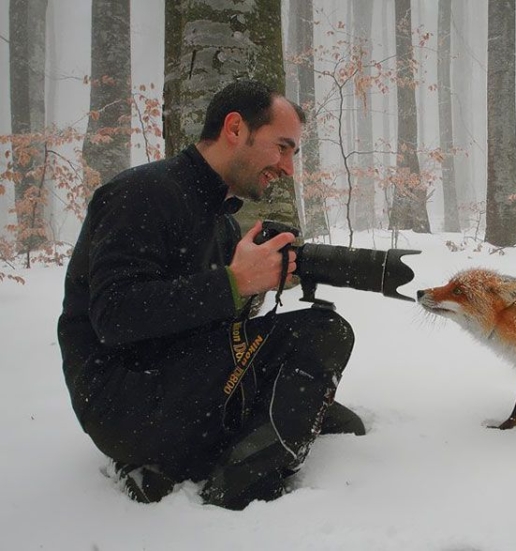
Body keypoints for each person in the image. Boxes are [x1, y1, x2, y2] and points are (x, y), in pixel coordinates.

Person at [57, 79, 365, 510]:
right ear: (235, 128)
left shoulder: (222, 223)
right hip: (125, 403)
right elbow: (114, 317)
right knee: (323, 332)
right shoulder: (140, 193)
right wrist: (234, 283)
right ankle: (240, 488)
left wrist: (256, 285)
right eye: (282, 147)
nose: (288, 167)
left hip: (177, 382)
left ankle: (232, 434)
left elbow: (204, 322)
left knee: (311, 369)